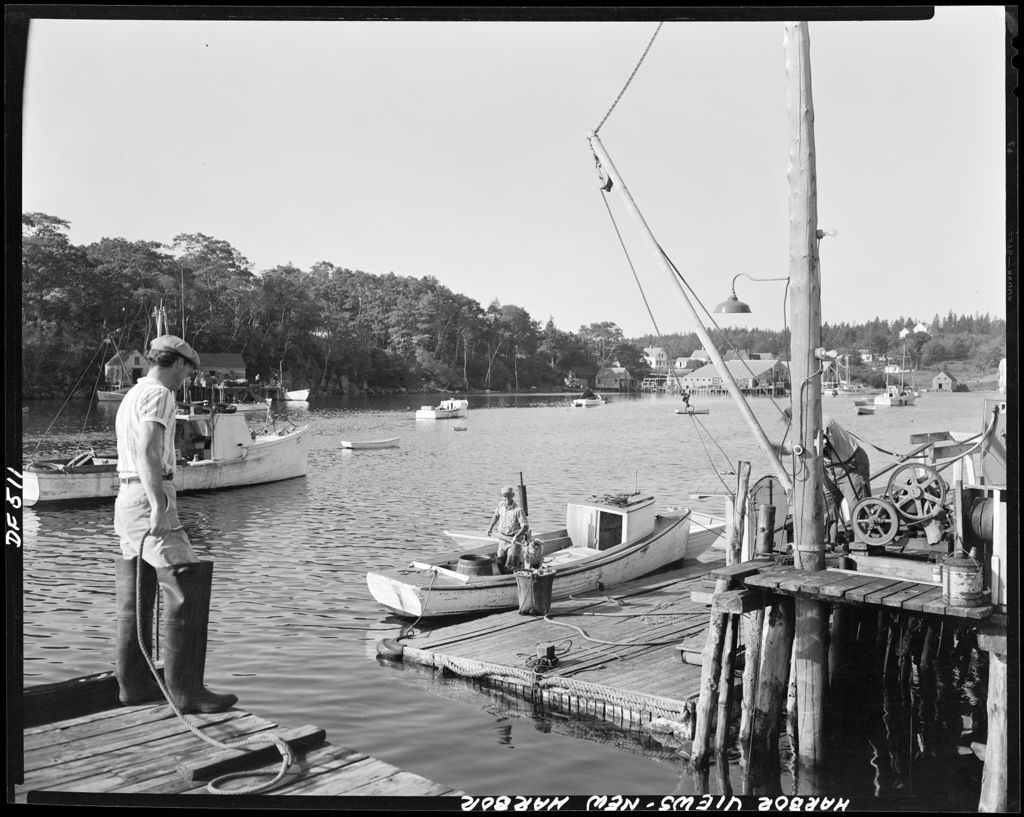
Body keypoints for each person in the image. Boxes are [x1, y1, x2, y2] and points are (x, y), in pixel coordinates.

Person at [113, 335, 237, 714]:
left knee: (137, 589)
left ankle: (134, 685)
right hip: (148, 493)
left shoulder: (131, 396)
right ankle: (187, 692)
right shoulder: (160, 395)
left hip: (126, 494)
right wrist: (158, 505)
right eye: (189, 369)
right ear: (178, 363)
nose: (188, 377)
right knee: (186, 580)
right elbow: (149, 450)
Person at [779, 407, 871, 546]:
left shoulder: (823, 421)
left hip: (851, 466)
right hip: (830, 471)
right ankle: (829, 542)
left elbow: (822, 446)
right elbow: (787, 449)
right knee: (826, 506)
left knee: (857, 506)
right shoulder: (801, 431)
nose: (791, 427)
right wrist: (768, 446)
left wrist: (805, 449)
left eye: (791, 423)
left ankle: (863, 544)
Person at [486, 485, 529, 572]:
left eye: (509, 496)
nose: (507, 499)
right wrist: (489, 528)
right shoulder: (501, 505)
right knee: (500, 563)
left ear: (513, 495)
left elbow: (525, 527)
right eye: (505, 496)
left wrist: (517, 536)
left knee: (510, 565)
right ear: (503, 497)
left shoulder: (518, 510)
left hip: (513, 541)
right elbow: (496, 515)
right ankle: (504, 576)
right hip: (502, 538)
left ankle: (512, 576)